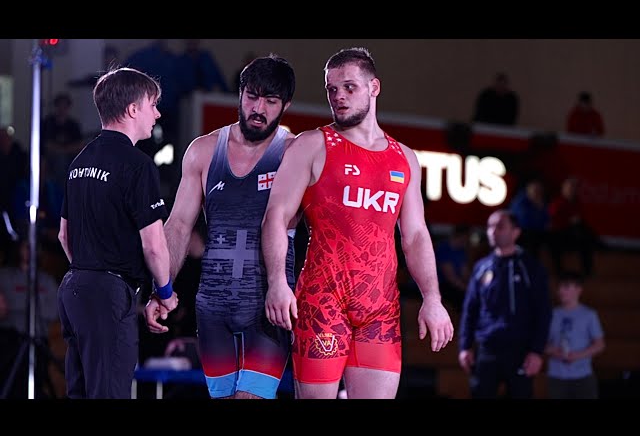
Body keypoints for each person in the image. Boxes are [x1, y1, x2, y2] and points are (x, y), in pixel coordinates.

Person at [261, 47, 454, 400]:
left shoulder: (404, 158)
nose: (339, 97)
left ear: (374, 87)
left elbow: (414, 235)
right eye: (332, 89)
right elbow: (276, 217)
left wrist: (432, 298)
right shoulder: (312, 145)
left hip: (380, 308)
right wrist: (276, 281)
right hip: (322, 302)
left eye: (349, 87)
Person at [144, 55, 297, 399]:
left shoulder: (294, 153)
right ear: (240, 94)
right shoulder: (204, 151)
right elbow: (180, 225)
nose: (258, 108)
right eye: (251, 97)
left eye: (270, 102)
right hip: (213, 306)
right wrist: (161, 287)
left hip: (268, 308)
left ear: (285, 105)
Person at [57, 67, 178, 399]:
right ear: (132, 109)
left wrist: (90, 270)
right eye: (152, 104)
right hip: (108, 293)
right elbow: (154, 245)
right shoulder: (137, 165)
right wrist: (165, 292)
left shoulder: (79, 161)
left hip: (74, 288)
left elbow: (64, 236)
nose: (157, 113)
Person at [458, 209, 552, 399]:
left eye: (500, 226)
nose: (493, 231)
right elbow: (470, 310)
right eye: (490, 227)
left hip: (520, 350)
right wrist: (465, 346)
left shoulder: (530, 267)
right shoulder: (481, 267)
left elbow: (543, 312)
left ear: (516, 232)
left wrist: (536, 351)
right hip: (487, 348)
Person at [0, 240, 60, 398]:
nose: (30, 251)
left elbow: (53, 311)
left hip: (39, 342)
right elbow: (3, 310)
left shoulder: (47, 281)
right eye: (27, 246)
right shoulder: (5, 276)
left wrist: (15, 306)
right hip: (9, 342)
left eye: (34, 247)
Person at [545, 270, 605, 399]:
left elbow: (600, 344)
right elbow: (543, 343)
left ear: (578, 289)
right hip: (557, 376)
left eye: (566, 287)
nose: (561, 291)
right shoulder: (552, 314)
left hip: (582, 376)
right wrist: (555, 351)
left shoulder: (589, 314)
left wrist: (578, 355)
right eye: (559, 287)